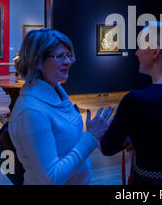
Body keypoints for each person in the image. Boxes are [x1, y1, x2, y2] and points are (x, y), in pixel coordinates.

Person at [100, 21, 162, 185]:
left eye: (141, 46)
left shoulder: (135, 100)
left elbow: (107, 147)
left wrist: (96, 131)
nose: (137, 53)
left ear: (155, 51)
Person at [9, 28, 114, 184]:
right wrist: (89, 137)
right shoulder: (31, 111)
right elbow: (52, 178)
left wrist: (93, 134)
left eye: (68, 55)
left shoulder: (56, 91)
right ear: (37, 60)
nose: (68, 62)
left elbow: (64, 146)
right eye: (59, 56)